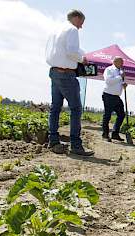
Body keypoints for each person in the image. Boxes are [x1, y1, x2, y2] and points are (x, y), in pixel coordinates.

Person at [45, 9, 94, 156]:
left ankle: (53, 140)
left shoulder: (55, 30)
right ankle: (76, 145)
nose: (81, 27)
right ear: (76, 18)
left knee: (55, 108)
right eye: (81, 23)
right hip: (66, 73)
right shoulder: (72, 30)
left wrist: (79, 54)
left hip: (54, 71)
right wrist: (83, 59)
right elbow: (71, 52)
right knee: (76, 108)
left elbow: (59, 51)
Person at [102, 56, 127, 142]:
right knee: (107, 115)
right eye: (121, 62)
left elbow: (119, 82)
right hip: (108, 95)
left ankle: (115, 133)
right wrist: (120, 77)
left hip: (116, 96)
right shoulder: (109, 70)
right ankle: (105, 134)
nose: (122, 64)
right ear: (115, 62)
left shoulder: (120, 71)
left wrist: (123, 84)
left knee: (121, 114)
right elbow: (108, 81)